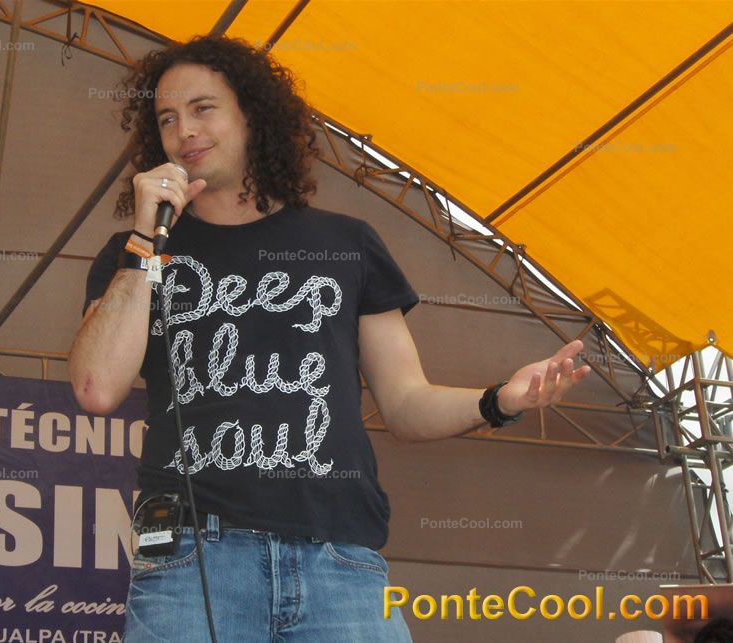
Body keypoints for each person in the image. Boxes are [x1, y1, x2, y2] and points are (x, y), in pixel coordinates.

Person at [68, 35, 590, 642]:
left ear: (251, 114)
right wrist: (144, 241)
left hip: (339, 565)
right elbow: (96, 387)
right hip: (193, 560)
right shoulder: (132, 255)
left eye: (203, 108)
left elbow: (406, 403)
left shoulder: (346, 243)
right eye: (166, 118)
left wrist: (499, 399)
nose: (184, 130)